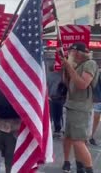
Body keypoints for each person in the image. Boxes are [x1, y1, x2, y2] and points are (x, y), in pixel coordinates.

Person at [62, 42, 98, 173]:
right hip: (72, 106)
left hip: (80, 108)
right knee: (70, 138)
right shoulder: (78, 66)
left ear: (77, 52)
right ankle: (80, 167)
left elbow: (82, 84)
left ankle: (89, 169)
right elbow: (68, 84)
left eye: (71, 52)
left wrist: (69, 67)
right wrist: (67, 68)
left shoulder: (90, 64)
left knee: (78, 141)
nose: (69, 54)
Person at [47, 65, 67, 138]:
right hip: (52, 98)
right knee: (52, 115)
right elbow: (46, 85)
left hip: (60, 98)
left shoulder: (62, 76)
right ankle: (52, 130)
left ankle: (57, 130)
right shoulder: (50, 75)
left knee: (58, 115)